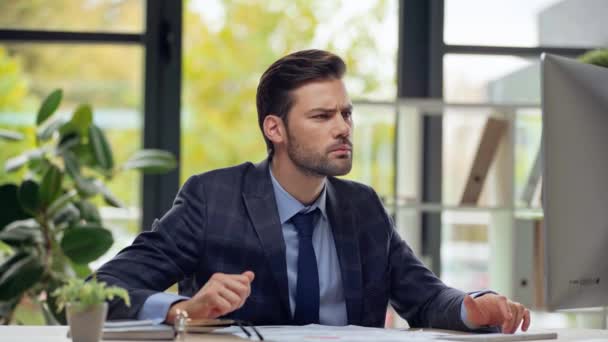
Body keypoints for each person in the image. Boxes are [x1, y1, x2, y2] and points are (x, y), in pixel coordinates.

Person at [96, 49, 530, 333]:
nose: (343, 128)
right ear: (275, 128)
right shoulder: (212, 199)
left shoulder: (363, 206)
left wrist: (472, 307)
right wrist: (181, 309)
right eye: (322, 116)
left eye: (346, 113)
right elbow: (101, 290)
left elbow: (426, 296)